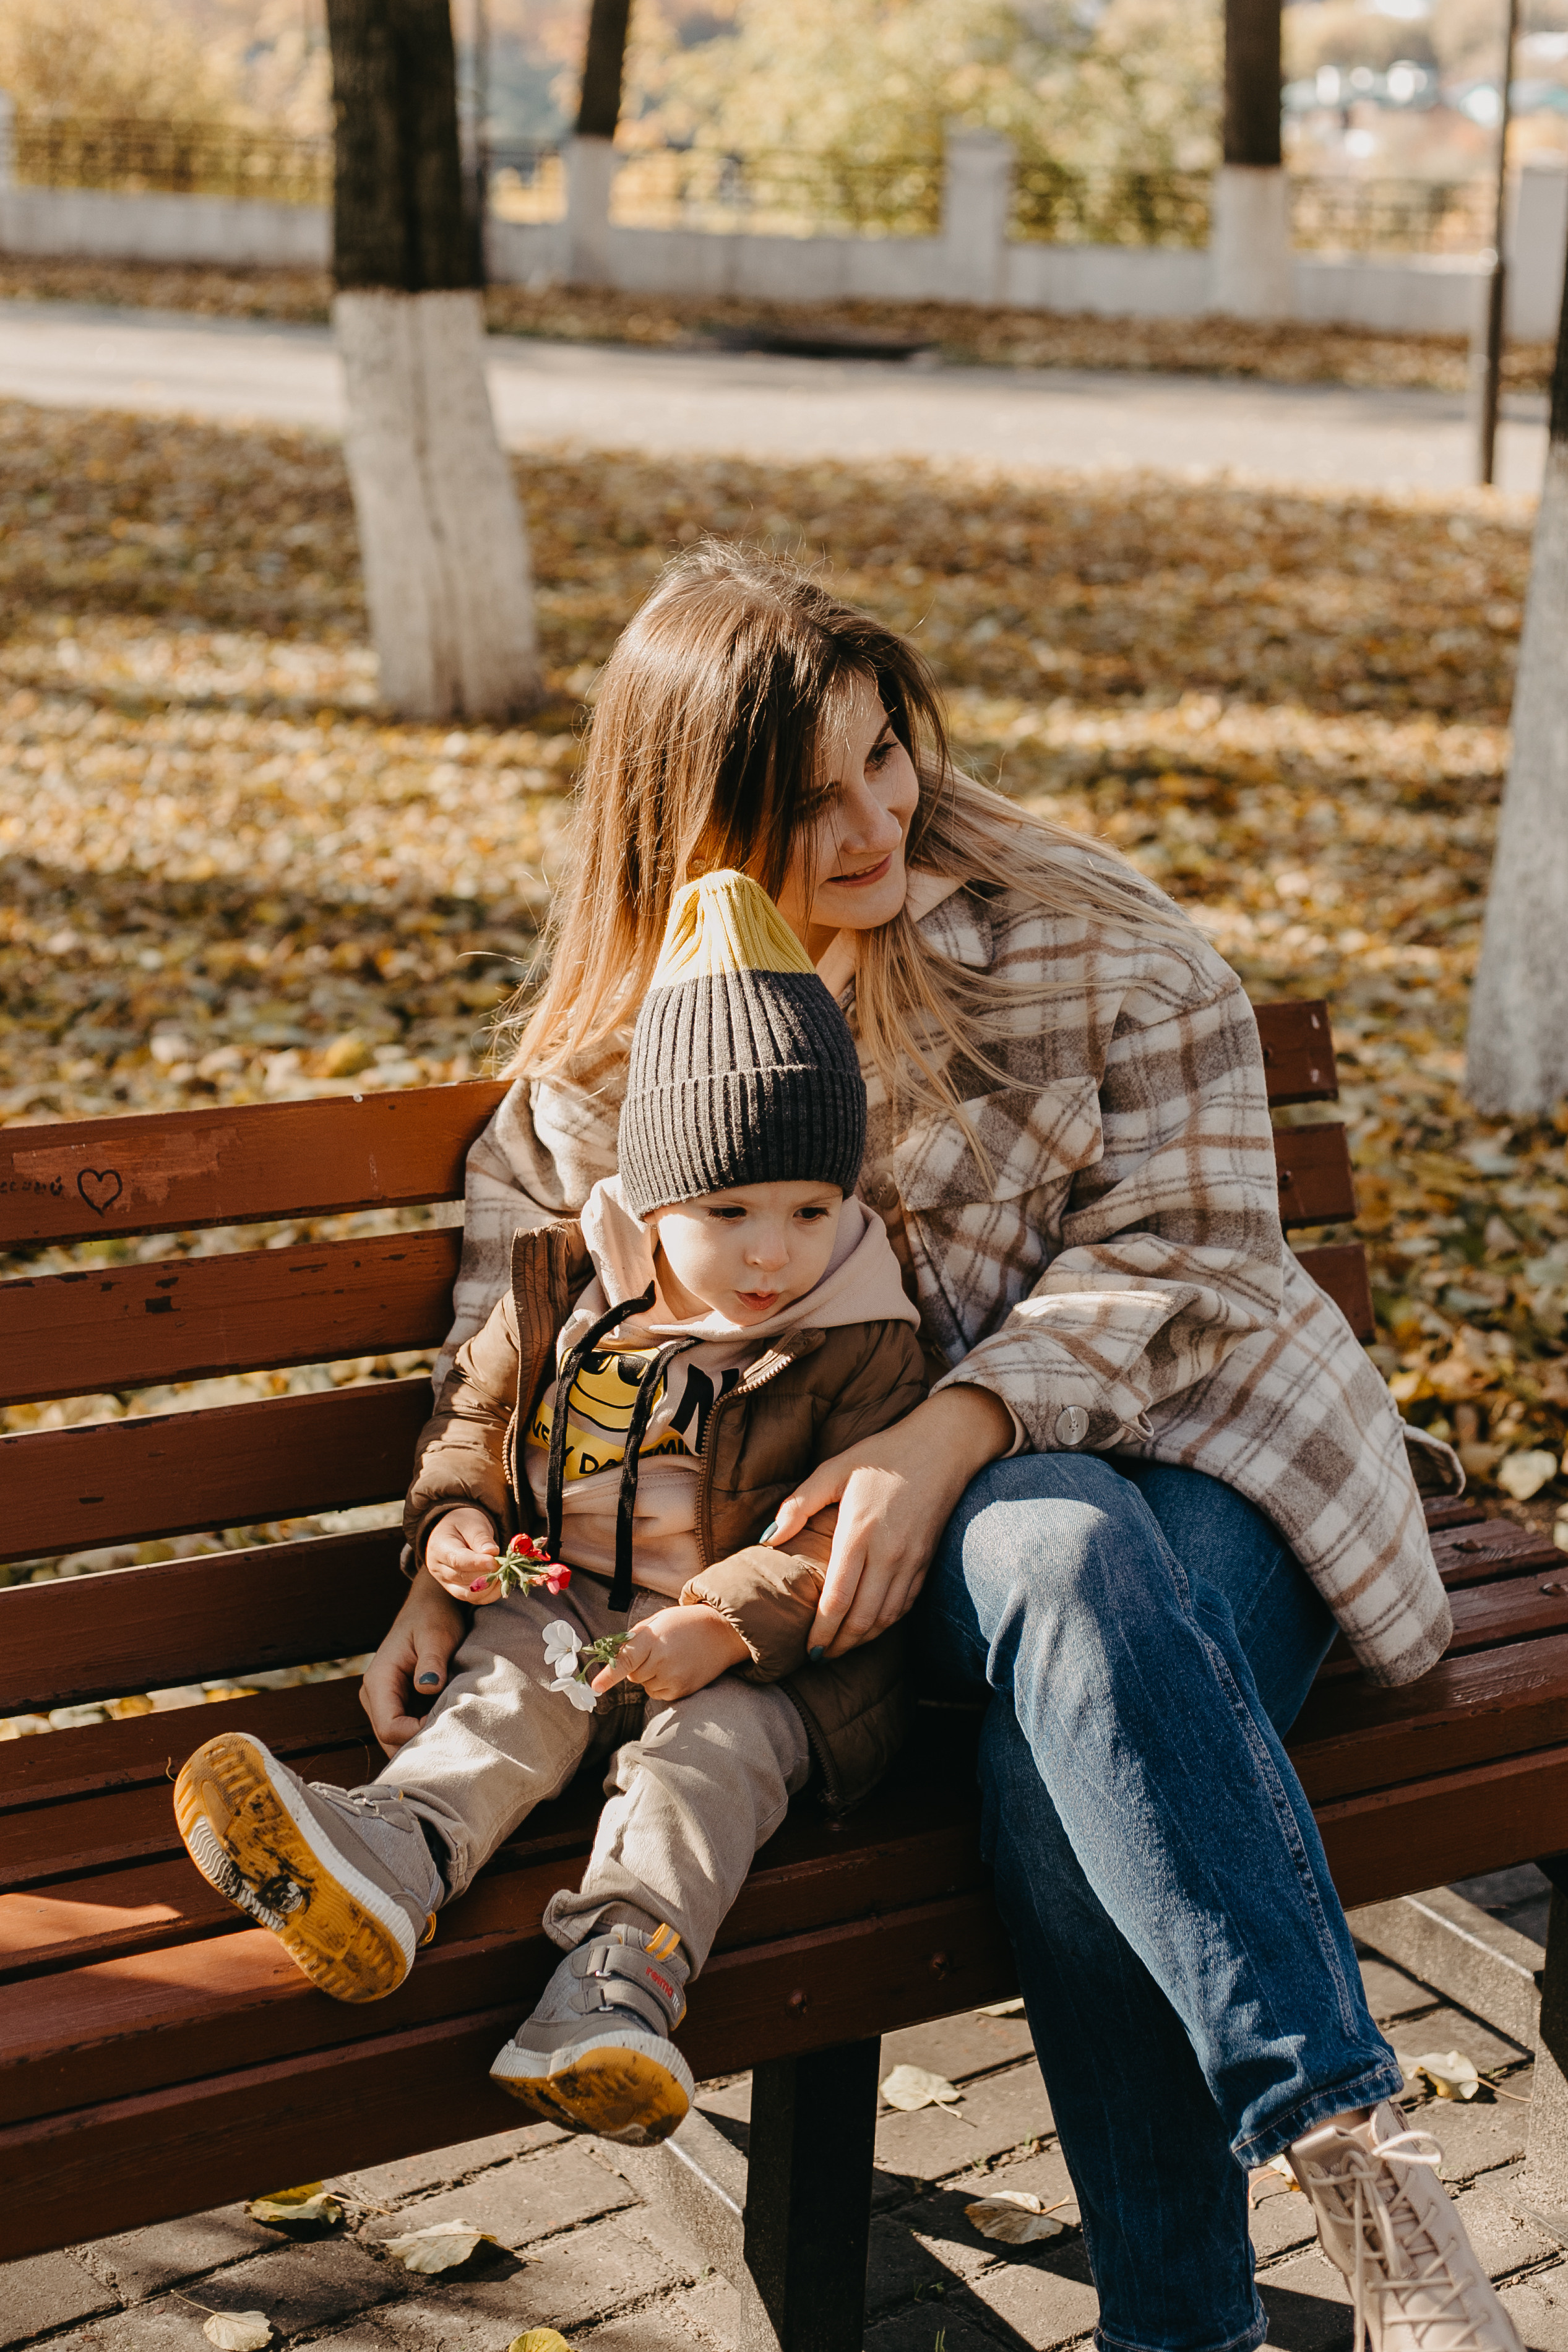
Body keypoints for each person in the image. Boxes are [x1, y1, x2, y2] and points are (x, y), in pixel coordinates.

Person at [355, 543, 1519, 2352]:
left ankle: (1238, 2282)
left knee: (1057, 1642)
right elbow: (512, 1325)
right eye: (800, 798)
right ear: (689, 815)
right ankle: (1367, 2202)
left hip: (1207, 1466)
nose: (870, 819)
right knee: (1051, 1594)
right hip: (891, 1590)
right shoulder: (618, 1060)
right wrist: (446, 1548)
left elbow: (1199, 1250)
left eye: (881, 755)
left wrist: (947, 1423)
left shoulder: (1071, 928)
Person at [172, 869, 924, 2147]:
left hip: (760, 1666)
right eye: (727, 1211)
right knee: (506, 1694)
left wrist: (729, 1625)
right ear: (652, 1194)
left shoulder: (861, 1334)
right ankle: (391, 1859)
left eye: (810, 1210)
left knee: (704, 1768)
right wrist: (452, 1527)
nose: (770, 1254)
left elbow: (840, 1535)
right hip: (562, 1596)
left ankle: (617, 1980)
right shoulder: (567, 1292)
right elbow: (473, 1414)